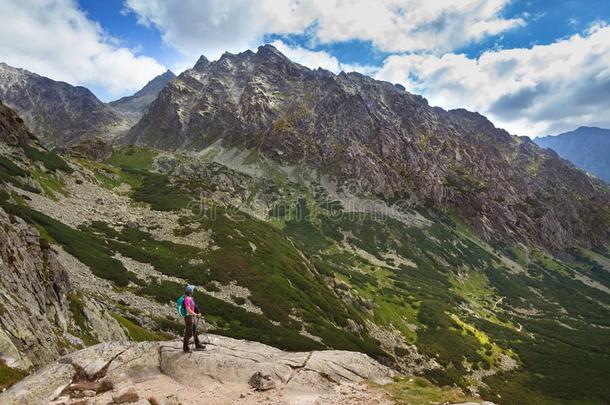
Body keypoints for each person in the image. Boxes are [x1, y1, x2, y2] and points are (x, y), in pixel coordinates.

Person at [183, 285, 205, 352]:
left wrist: (197, 312)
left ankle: (197, 344)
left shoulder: (189, 298)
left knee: (194, 330)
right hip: (188, 317)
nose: (193, 291)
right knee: (189, 333)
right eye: (192, 290)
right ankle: (185, 348)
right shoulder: (187, 299)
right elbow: (188, 309)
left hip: (191, 316)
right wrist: (196, 314)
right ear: (190, 291)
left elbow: (193, 307)